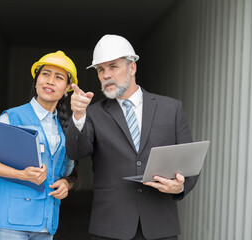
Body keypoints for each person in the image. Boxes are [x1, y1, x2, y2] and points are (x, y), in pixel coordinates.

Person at [65, 34, 198, 240]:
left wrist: (180, 186)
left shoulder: (170, 108)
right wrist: (78, 116)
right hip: (110, 227)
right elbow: (75, 152)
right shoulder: (92, 114)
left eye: (113, 67)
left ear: (132, 67)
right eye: (101, 69)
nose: (106, 75)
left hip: (160, 225)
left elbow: (190, 161)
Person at [0, 50, 78, 240]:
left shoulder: (64, 129)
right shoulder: (12, 117)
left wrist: (66, 185)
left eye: (59, 77)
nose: (50, 81)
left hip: (46, 225)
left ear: (68, 88)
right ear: (36, 81)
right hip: (9, 225)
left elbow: (67, 173)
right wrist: (22, 175)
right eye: (45, 74)